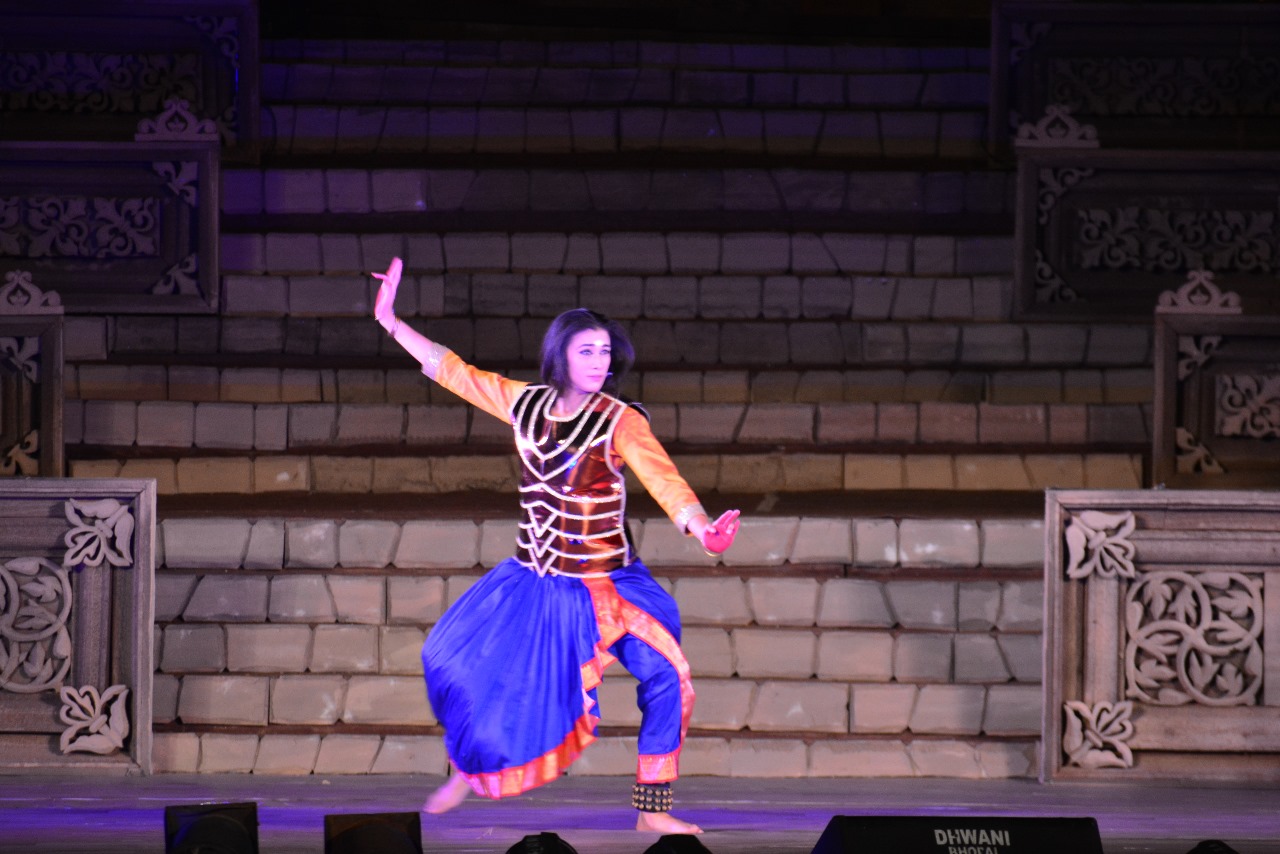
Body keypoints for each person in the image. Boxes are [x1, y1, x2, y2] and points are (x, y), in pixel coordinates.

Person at [372, 257, 741, 835]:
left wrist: (702, 528)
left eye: (605, 352)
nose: (601, 362)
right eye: (587, 351)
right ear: (561, 355)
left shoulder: (621, 421)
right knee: (470, 670)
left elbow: (666, 482)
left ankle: (654, 810)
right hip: (537, 583)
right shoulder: (524, 403)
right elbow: (450, 369)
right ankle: (468, 771)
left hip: (610, 586)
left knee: (669, 676)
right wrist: (391, 320)